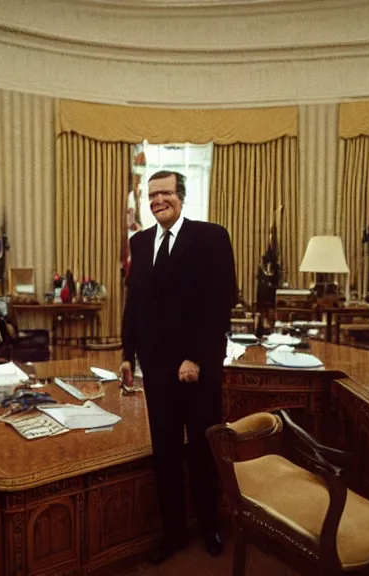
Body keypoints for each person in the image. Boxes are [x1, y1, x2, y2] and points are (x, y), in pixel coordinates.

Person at [120, 170, 237, 563]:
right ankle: (173, 534)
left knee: (204, 452)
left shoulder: (210, 237)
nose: (157, 201)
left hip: (197, 370)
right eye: (151, 195)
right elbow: (135, 304)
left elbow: (220, 306)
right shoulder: (139, 241)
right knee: (165, 454)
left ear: (181, 196)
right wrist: (126, 353)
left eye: (165, 193)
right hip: (156, 371)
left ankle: (210, 527)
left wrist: (197, 358)